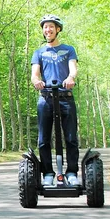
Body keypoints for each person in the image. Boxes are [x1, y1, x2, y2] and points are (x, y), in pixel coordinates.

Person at [31, 14, 79, 186]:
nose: (48, 30)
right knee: (43, 139)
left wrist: (71, 78)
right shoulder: (39, 52)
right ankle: (48, 174)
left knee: (71, 137)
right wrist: (36, 81)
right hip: (46, 98)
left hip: (65, 97)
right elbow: (35, 74)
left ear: (58, 29)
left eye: (51, 26)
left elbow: (73, 69)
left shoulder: (69, 49)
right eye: (45, 27)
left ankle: (71, 172)